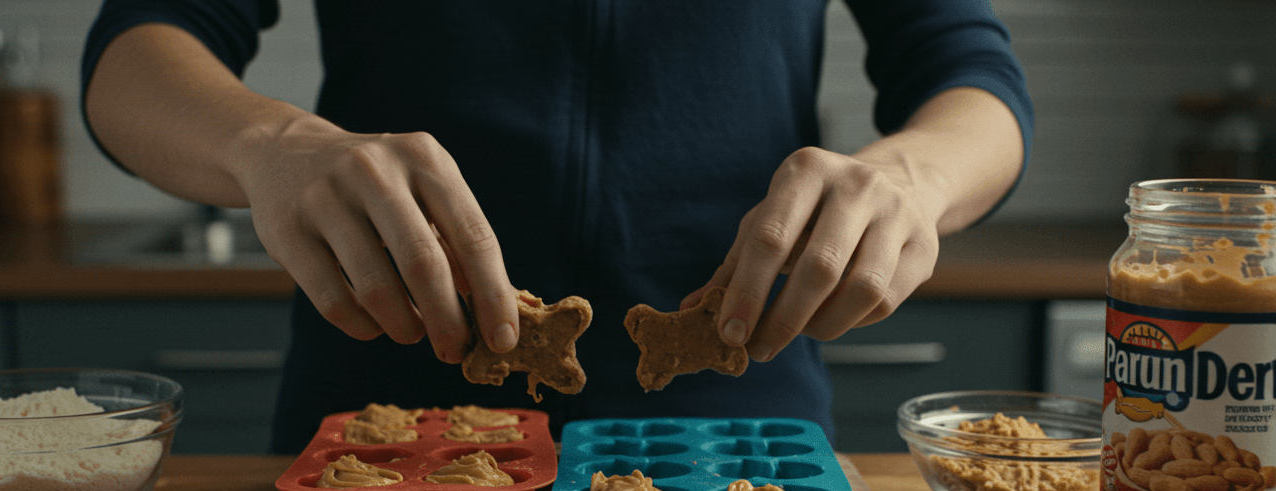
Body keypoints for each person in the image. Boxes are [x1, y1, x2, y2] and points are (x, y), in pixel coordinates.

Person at [82, 1, 1032, 452]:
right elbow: (134, 51)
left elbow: (973, 76)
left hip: (736, 437)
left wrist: (913, 174)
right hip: (387, 431)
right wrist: (268, 143)